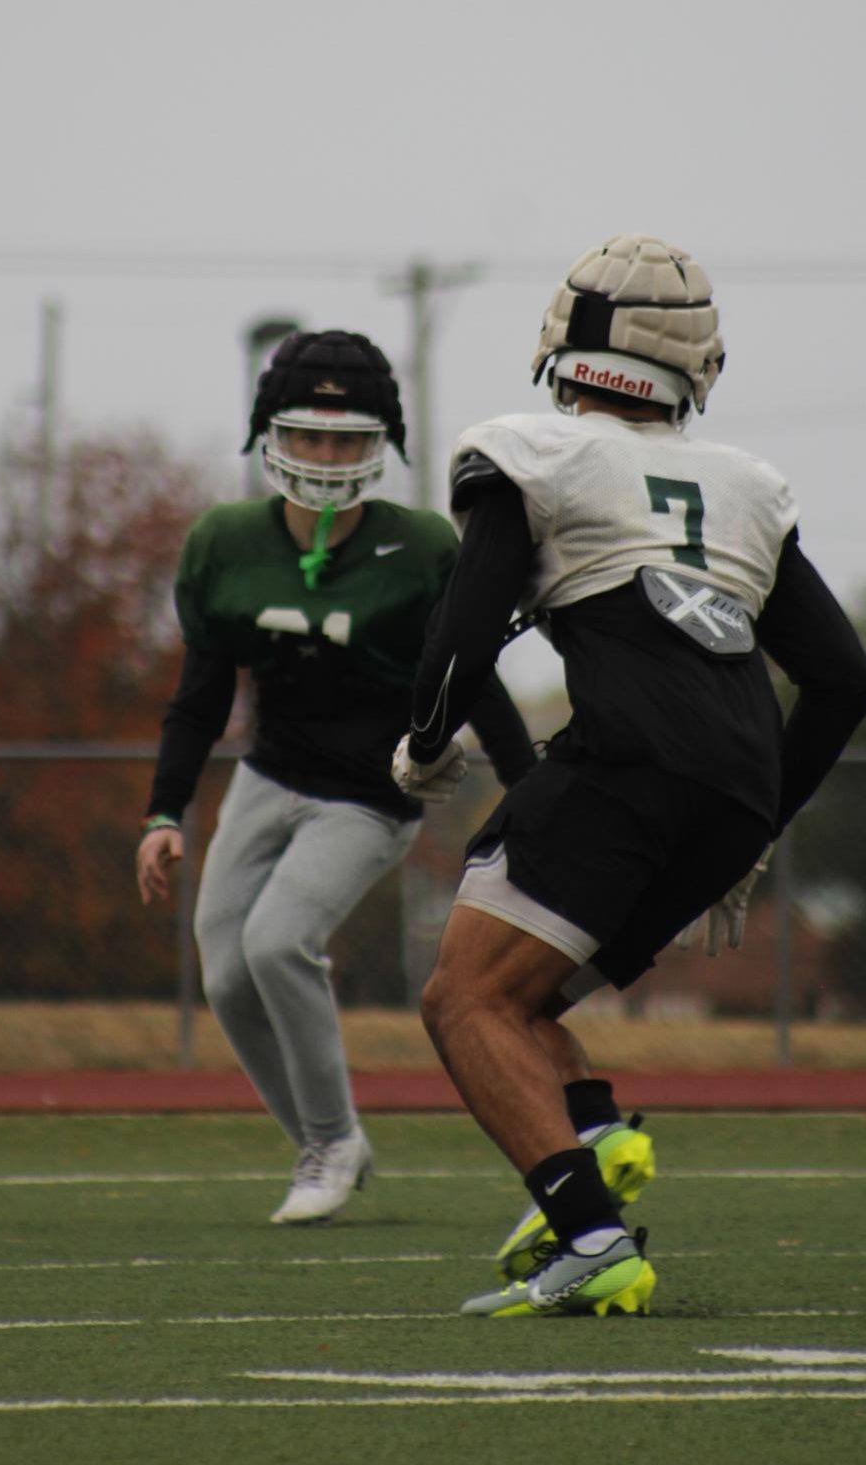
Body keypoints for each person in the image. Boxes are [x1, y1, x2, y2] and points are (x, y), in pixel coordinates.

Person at [392, 234, 866, 1316]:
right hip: (735, 785)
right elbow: (842, 681)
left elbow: (460, 635)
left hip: (623, 761)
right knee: (517, 1002)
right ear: (696, 365)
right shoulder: (747, 486)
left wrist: (425, 743)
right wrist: (755, 832)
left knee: (462, 1000)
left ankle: (591, 1239)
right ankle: (596, 1133)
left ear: (564, 342)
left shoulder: (530, 451)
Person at [138, 328, 536, 1225]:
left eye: (348, 438)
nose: (326, 455)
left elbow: (477, 677)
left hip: (371, 791)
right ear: (269, 433)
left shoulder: (424, 547)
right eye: (310, 435)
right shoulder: (225, 542)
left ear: (381, 443)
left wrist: (532, 786)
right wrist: (162, 809)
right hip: (269, 775)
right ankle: (327, 1141)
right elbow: (199, 697)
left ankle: (329, 1139)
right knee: (228, 972)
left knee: (277, 943)